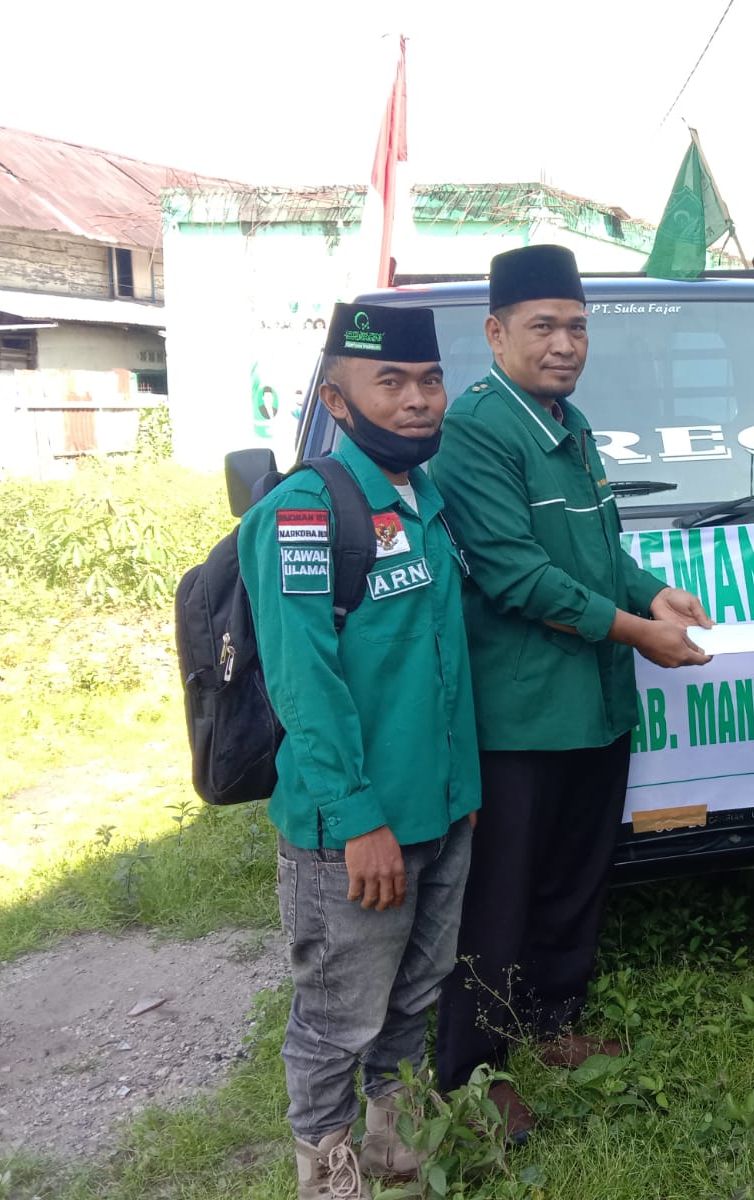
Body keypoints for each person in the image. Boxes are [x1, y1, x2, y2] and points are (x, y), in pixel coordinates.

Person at [430, 244, 714, 1140]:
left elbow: (593, 554)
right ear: (496, 332)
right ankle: (469, 1070)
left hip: (593, 700)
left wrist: (648, 593)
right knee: (500, 894)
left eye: (577, 327)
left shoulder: (567, 419)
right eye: (543, 327)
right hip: (522, 713)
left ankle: (553, 1021)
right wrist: (639, 633)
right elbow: (517, 576)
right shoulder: (477, 428)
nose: (564, 344)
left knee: (575, 876)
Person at [239, 302, 480, 1199]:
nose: (418, 401)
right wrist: (356, 818)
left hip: (444, 807)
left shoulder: (427, 498)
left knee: (416, 996)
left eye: (429, 381)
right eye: (392, 383)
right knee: (337, 1017)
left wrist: (464, 792)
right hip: (357, 825)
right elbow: (303, 683)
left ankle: (394, 1147)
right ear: (338, 403)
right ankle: (327, 1171)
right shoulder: (306, 513)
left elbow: (441, 664)